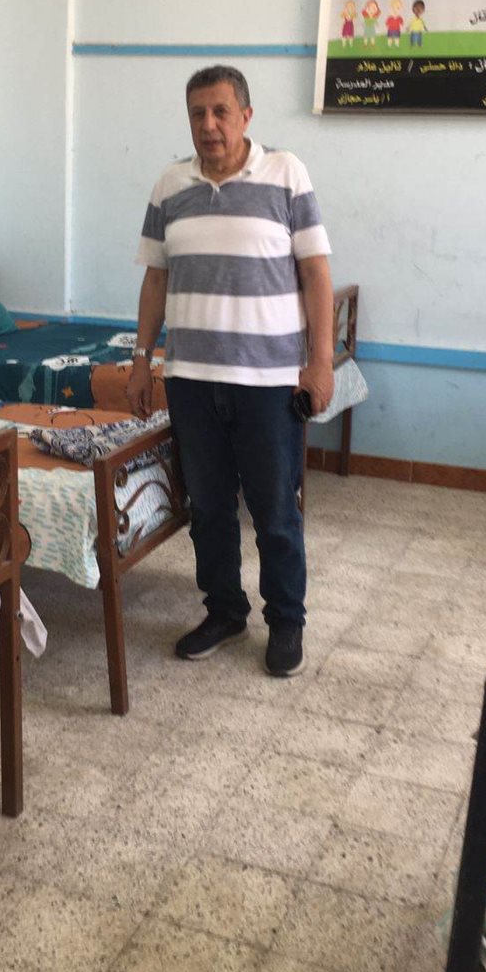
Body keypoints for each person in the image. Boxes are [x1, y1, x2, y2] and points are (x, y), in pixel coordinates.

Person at [127, 66, 334, 678]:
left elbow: (316, 274)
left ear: (246, 115)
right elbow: (156, 279)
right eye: (198, 113)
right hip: (191, 378)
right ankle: (224, 611)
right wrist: (141, 360)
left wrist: (320, 362)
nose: (209, 125)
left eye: (221, 111)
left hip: (268, 382)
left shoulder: (285, 173)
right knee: (210, 509)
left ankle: (287, 620)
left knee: (275, 510)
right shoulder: (170, 185)